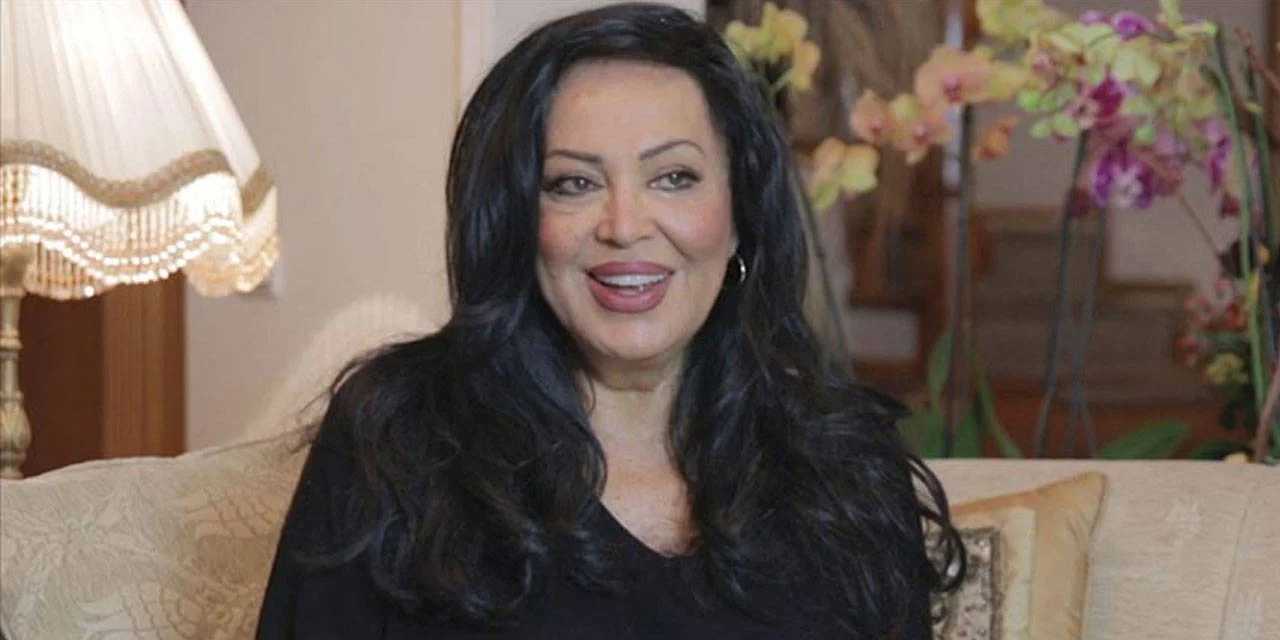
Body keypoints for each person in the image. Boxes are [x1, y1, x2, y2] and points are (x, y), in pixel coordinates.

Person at [256, 3, 963, 638]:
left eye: (674, 177)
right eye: (574, 183)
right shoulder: (398, 438)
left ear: (740, 215)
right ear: (515, 221)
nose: (624, 226)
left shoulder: (846, 466)